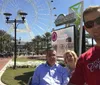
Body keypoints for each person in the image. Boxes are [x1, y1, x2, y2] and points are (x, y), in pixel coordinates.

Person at [68, 6, 100, 85]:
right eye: (90, 24)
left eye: (99, 20)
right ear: (86, 29)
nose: (96, 26)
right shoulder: (84, 59)